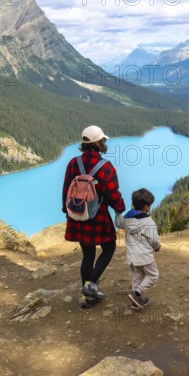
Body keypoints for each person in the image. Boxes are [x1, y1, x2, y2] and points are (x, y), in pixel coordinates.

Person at [62, 125, 125, 308]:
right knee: (109, 247)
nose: (104, 142)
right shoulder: (105, 167)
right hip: (98, 217)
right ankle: (91, 287)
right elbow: (113, 194)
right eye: (103, 140)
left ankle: (86, 297)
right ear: (99, 142)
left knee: (87, 254)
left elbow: (66, 190)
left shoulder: (74, 163)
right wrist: (120, 209)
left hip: (78, 214)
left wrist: (68, 212)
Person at [115, 188, 161, 309]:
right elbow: (154, 240)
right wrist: (157, 247)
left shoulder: (127, 218)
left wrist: (117, 212)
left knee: (137, 277)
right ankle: (136, 294)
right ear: (146, 207)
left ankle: (136, 302)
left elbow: (118, 223)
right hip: (144, 257)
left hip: (131, 257)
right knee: (153, 276)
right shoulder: (148, 222)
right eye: (149, 205)